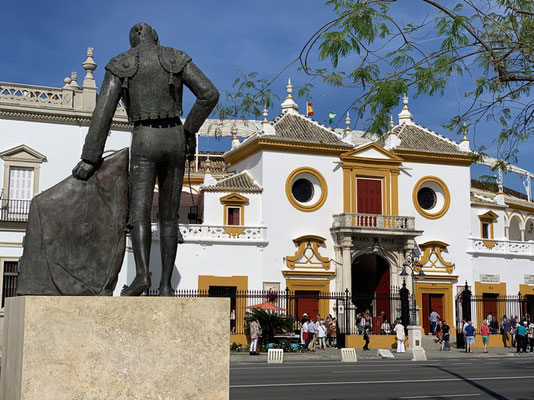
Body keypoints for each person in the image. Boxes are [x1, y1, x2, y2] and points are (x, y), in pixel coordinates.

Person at [72, 23, 219, 296]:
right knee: (169, 216)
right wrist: (189, 130)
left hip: (145, 138)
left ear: (133, 41)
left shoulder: (121, 64)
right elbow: (209, 94)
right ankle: (165, 286)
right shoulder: (176, 57)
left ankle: (141, 276)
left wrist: (89, 158)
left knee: (139, 212)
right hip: (174, 136)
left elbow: (102, 115)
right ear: (156, 38)